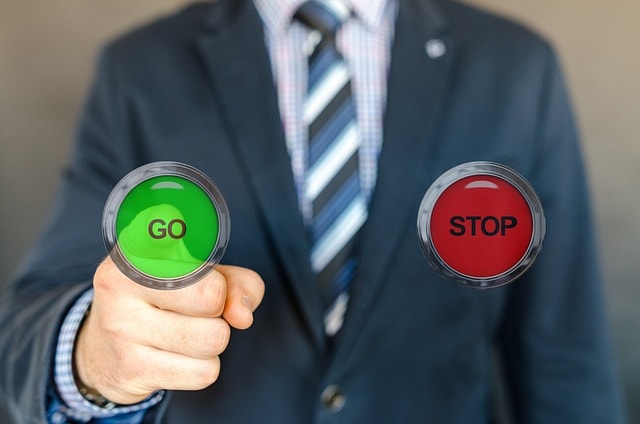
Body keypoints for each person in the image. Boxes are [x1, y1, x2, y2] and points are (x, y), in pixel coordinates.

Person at [0, 0, 627, 422]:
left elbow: (565, 353)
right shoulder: (139, 69)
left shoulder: (516, 67)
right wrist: (96, 357)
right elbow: (31, 325)